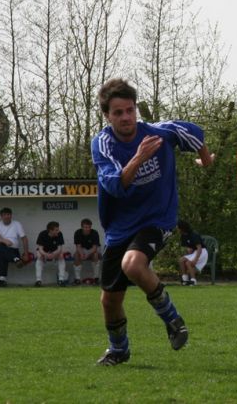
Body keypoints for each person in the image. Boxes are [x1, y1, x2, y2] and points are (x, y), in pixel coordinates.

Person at [91, 78, 214, 366]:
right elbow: (116, 186)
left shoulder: (159, 132)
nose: (126, 117)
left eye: (130, 110)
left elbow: (195, 135)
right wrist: (139, 157)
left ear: (135, 109)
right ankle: (118, 350)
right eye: (118, 112)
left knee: (133, 264)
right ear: (107, 116)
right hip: (120, 227)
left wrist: (205, 160)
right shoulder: (103, 144)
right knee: (109, 301)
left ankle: (173, 320)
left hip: (158, 218)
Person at [0, 207, 30, 287]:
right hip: (3, 248)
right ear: (1, 216)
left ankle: (2, 280)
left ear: (11, 215)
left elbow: (24, 239)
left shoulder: (17, 224)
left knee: (3, 256)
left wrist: (26, 254)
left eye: (8, 214)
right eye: (4, 215)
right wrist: (5, 241)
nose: (7, 216)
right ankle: (16, 259)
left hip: (13, 250)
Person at [35, 221, 68, 287]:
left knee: (61, 256)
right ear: (50, 230)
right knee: (39, 256)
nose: (58, 231)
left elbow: (59, 249)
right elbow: (40, 249)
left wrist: (53, 254)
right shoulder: (42, 234)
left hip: (55, 252)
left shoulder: (59, 234)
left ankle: (61, 280)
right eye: (56, 230)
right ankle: (38, 281)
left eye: (58, 229)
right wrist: (46, 254)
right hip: (44, 252)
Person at [177, 221, 208, 286]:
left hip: (202, 252)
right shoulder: (183, 236)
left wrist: (195, 259)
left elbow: (199, 248)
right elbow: (187, 247)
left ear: (182, 228)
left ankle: (193, 281)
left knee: (188, 263)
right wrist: (188, 250)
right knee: (181, 260)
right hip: (194, 252)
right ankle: (185, 280)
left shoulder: (194, 235)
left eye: (178, 228)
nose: (177, 229)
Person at [73, 218, 101, 285]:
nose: (87, 229)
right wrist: (82, 254)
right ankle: (77, 279)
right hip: (82, 250)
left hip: (92, 251)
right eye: (85, 227)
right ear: (82, 227)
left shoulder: (94, 233)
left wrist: (87, 254)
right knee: (76, 255)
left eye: (89, 227)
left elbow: (94, 248)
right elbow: (78, 246)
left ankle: (96, 278)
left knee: (95, 255)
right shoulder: (77, 233)